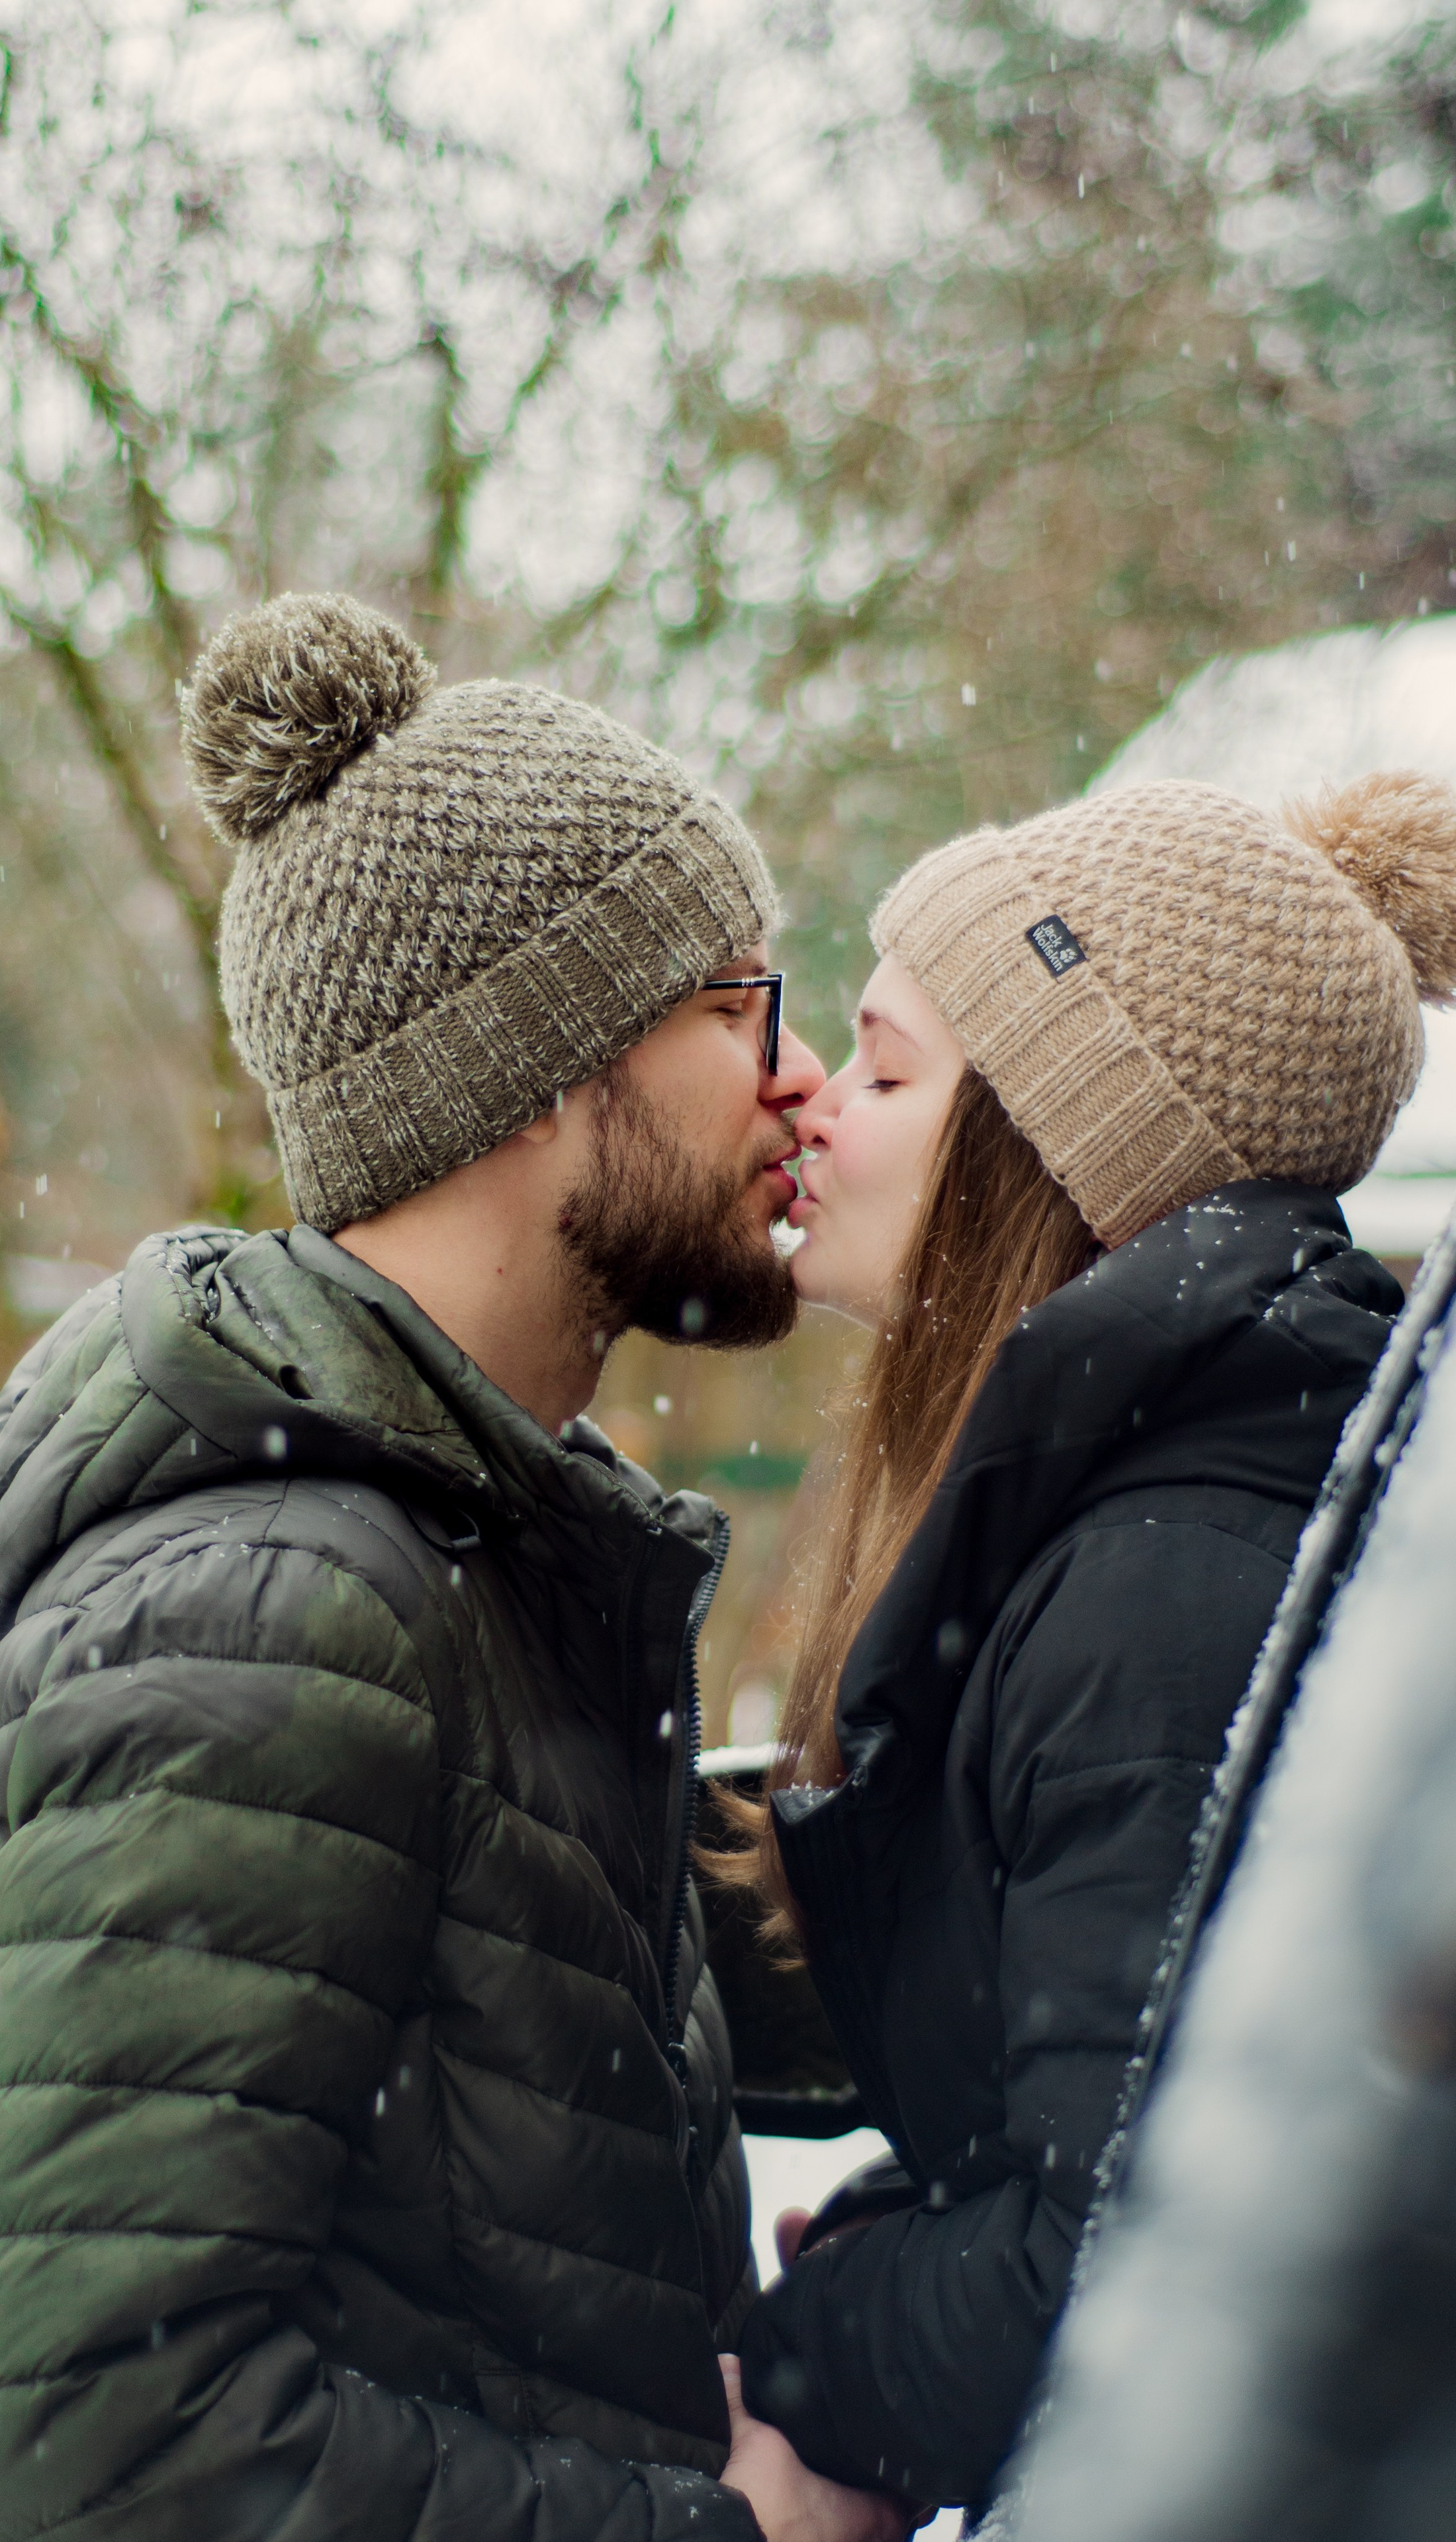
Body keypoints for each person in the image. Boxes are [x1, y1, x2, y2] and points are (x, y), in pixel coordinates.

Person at [0, 590, 895, 2542]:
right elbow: (99, 2436)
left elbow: (525, 2061)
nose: (796, 1076)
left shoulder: (477, 1547)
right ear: (539, 1065)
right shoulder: (265, 1615)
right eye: (737, 1006)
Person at [718, 769, 1456, 2520]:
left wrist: (802, 2359)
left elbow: (1117, 2269)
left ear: (1068, 1156)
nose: (817, 1100)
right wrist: (913, 2220)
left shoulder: (1157, 1596)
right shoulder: (1113, 1525)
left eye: (889, 1070)